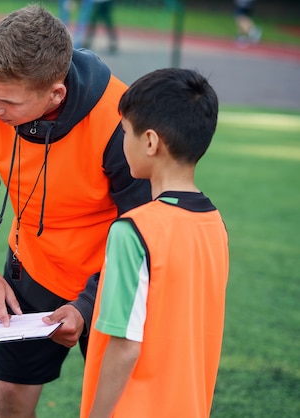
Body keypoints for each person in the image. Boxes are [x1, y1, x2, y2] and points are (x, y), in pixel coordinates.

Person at [0, 5, 150, 417]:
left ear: (56, 94)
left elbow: (146, 235)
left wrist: (87, 305)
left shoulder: (120, 121)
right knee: (11, 397)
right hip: (31, 271)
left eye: (8, 102)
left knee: (122, 407)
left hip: (110, 279)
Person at [79, 68, 229, 417]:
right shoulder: (214, 225)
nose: (121, 142)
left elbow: (125, 345)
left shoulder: (134, 230)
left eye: (124, 132)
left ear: (150, 142)